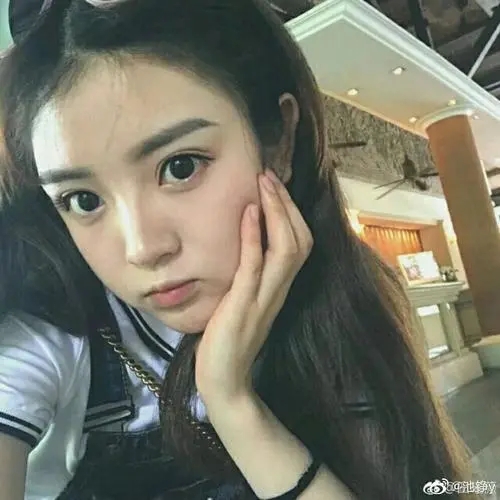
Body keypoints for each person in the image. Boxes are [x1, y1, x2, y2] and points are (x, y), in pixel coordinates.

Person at [0, 0, 479, 499]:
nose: (143, 249)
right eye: (83, 200)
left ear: (278, 142)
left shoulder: (344, 306)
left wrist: (230, 400)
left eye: (181, 167)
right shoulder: (48, 338)